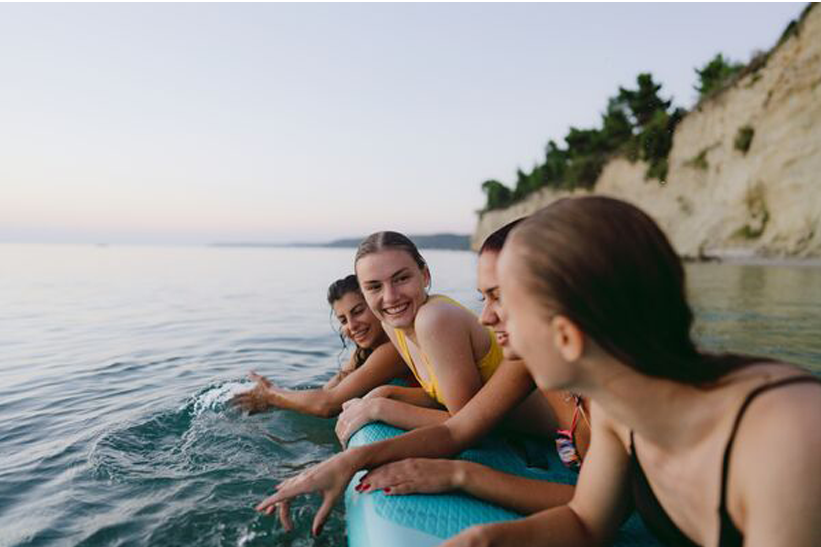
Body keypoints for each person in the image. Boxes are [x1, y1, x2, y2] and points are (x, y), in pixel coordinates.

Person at [439, 196, 820, 546]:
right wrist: (485, 541)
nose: (488, 318)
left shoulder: (788, 436)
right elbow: (585, 521)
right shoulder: (616, 404)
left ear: (567, 337)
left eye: (508, 305)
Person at [253, 222, 592, 535]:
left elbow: (599, 510)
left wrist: (461, 475)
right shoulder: (523, 362)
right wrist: (348, 460)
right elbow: (456, 429)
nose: (485, 317)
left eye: (498, 297)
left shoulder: (436, 320)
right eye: (483, 298)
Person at [332, 230, 519, 445]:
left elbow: (466, 425)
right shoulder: (392, 325)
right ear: (363, 293)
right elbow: (443, 396)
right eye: (374, 287)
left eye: (401, 278)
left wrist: (378, 408)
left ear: (425, 275)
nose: (390, 297)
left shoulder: (434, 318)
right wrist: (385, 392)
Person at [231, 274, 409, 418]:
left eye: (358, 312)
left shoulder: (393, 349)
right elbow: (326, 391)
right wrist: (276, 396)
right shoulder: (364, 352)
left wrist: (271, 395)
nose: (352, 325)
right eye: (343, 320)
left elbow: (327, 405)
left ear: (375, 304)